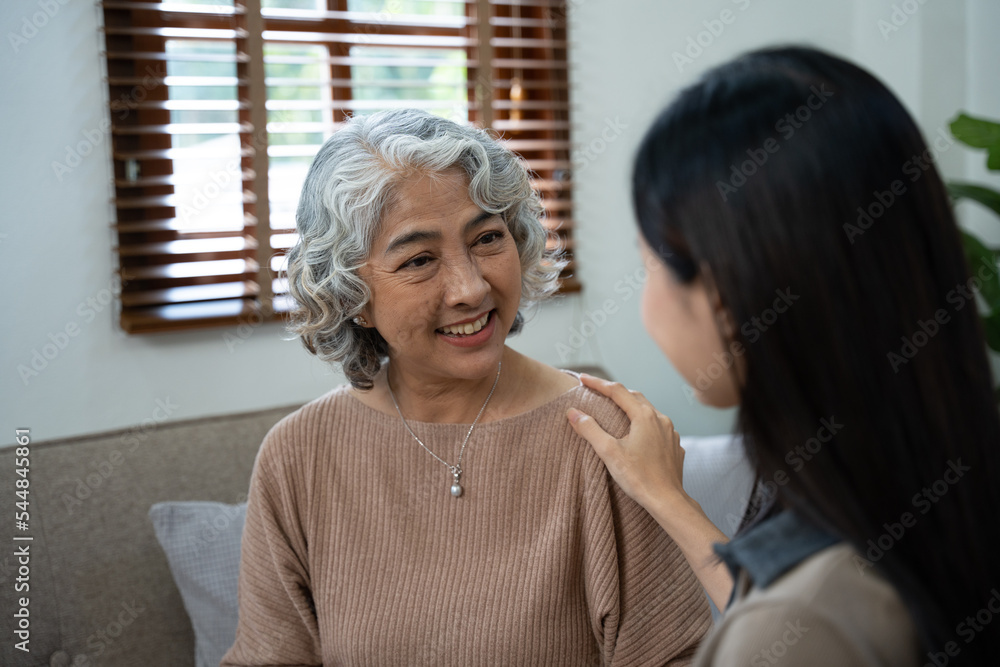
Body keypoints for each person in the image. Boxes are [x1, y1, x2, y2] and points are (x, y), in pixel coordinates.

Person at [221, 108, 712, 666]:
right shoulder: (298, 455)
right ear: (350, 295)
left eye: (486, 238)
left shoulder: (604, 439)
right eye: (420, 259)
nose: (470, 288)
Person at [567, 46, 1000, 666]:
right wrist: (666, 497)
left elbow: (790, 623)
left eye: (647, 263)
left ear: (721, 294)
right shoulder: (934, 493)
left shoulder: (795, 626)